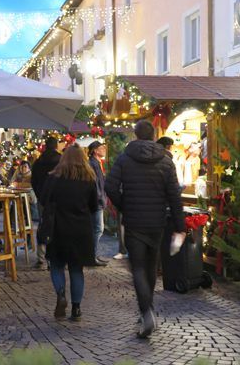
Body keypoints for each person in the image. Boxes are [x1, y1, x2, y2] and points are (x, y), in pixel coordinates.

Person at [105, 120, 185, 338]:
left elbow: (110, 185)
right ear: (154, 135)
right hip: (157, 222)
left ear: (136, 135)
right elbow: (174, 196)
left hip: (133, 222)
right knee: (150, 266)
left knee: (138, 267)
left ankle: (146, 311)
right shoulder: (166, 162)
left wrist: (124, 205)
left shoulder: (124, 158)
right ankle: (147, 310)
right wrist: (180, 226)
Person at [41, 145, 97, 321]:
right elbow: (94, 206)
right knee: (76, 268)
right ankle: (77, 309)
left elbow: (44, 200)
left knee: (56, 265)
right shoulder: (89, 178)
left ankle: (61, 295)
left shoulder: (54, 177)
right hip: (81, 229)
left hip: (58, 227)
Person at [31, 137, 61, 270]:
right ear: (56, 146)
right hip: (58, 198)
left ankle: (41, 258)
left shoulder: (38, 161)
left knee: (43, 225)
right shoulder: (61, 160)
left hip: (43, 199)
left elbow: (33, 180)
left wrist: (39, 195)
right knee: (58, 225)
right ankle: (55, 256)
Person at [87, 141, 108, 267]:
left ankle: (92, 254)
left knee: (96, 228)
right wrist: (100, 199)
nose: (104, 149)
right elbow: (95, 185)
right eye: (101, 148)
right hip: (96, 201)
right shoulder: (93, 164)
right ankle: (91, 256)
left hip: (98, 200)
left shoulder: (97, 163)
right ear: (95, 150)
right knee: (98, 228)